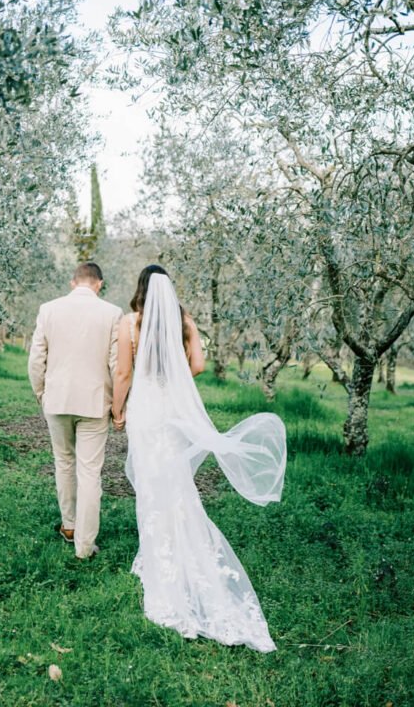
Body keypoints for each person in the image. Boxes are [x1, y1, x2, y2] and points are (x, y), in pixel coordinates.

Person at [112, 264, 286, 649]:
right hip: (171, 411)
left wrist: (118, 409)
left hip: (144, 411)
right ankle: (177, 549)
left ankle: (158, 557)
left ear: (141, 288)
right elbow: (199, 365)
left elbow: (124, 373)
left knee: (151, 484)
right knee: (176, 484)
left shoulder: (130, 324)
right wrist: (173, 382)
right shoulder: (183, 320)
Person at [28, 261, 123, 560]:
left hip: (57, 400)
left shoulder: (49, 309)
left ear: (73, 283)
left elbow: (36, 359)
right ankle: (84, 546)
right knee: (90, 472)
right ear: (99, 284)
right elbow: (116, 365)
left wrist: (41, 393)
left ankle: (69, 525)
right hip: (95, 404)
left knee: (64, 463)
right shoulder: (112, 313)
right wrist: (118, 407)